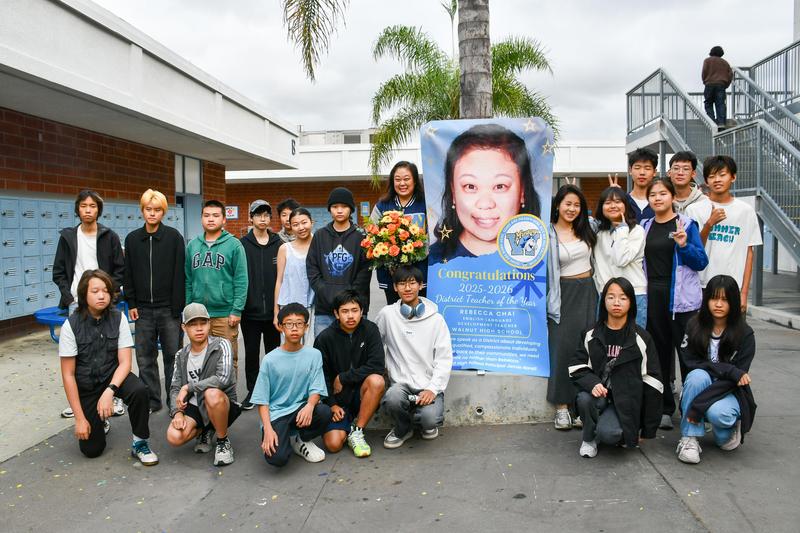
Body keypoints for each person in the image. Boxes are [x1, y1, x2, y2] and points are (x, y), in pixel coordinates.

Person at [58, 269, 158, 464]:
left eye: (106, 290)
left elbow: (125, 363)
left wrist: (109, 392)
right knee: (92, 450)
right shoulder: (70, 326)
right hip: (86, 385)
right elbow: (68, 375)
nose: (102, 295)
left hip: (112, 377)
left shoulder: (118, 318)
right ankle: (98, 420)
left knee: (139, 390)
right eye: (95, 291)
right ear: (84, 294)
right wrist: (79, 418)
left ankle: (140, 443)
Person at [569, 277, 662, 458]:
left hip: (625, 401)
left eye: (623, 298)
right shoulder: (590, 334)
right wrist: (592, 383)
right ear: (603, 301)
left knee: (611, 435)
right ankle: (588, 438)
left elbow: (653, 382)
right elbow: (576, 366)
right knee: (584, 399)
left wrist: (647, 428)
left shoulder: (641, 338)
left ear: (631, 303)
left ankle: (609, 428)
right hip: (598, 397)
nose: (616, 302)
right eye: (610, 297)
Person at [642, 178, 708, 430]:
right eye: (653, 195)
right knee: (659, 355)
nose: (657, 198)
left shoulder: (687, 224)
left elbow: (701, 261)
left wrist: (684, 244)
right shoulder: (645, 225)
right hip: (654, 296)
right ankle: (665, 408)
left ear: (672, 197)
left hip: (683, 301)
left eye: (662, 193)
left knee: (688, 356)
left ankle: (694, 408)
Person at [53, 189, 125, 419]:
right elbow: (59, 271)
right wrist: (68, 297)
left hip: (105, 300)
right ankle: (79, 402)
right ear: (77, 209)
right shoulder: (68, 237)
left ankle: (113, 397)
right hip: (77, 302)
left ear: (98, 210)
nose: (88, 210)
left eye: (92, 206)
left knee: (109, 351)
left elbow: (120, 270)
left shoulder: (109, 236)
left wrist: (109, 294)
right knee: (79, 355)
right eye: (84, 206)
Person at [429, 123, 541, 263]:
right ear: (453, 192)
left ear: (522, 191)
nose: (485, 204)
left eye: (500, 186)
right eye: (470, 186)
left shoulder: (537, 260)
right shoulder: (435, 261)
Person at [676, 275, 756, 464]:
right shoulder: (694, 325)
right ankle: (689, 439)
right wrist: (728, 369)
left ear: (733, 302)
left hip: (728, 390)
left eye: (725, 299)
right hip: (701, 383)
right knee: (696, 376)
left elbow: (737, 378)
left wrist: (698, 405)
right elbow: (689, 361)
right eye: (714, 298)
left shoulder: (745, 334)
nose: (718, 304)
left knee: (718, 415)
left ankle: (727, 431)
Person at [376, 265, 453, 449]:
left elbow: (444, 358)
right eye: (402, 284)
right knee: (393, 398)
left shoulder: (436, 320)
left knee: (429, 419)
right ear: (395, 288)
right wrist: (383, 370)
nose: (407, 288)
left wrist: (433, 389)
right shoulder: (387, 315)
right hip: (400, 385)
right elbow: (375, 344)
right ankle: (403, 429)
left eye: (412, 283)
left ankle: (424, 417)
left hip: (427, 385)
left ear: (420, 285)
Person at [124, 189, 185, 412]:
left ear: (163, 212)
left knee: (173, 357)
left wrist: (178, 308)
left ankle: (174, 401)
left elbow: (180, 275)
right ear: (142, 211)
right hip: (142, 310)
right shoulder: (132, 240)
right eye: (148, 209)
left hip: (169, 309)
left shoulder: (174, 238)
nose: (152, 214)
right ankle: (151, 400)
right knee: (144, 357)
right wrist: (131, 303)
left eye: (157, 210)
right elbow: (127, 274)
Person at [251, 303, 332, 467]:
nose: (294, 328)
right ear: (280, 327)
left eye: (299, 323)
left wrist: (309, 406)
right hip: (277, 414)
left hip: (300, 410)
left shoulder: (314, 355)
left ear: (306, 326)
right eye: (289, 324)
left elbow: (317, 388)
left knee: (324, 412)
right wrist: (267, 429)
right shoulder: (270, 360)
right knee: (277, 458)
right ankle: (286, 437)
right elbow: (262, 400)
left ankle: (301, 439)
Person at [546, 185, 597, 430]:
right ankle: (562, 407)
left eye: (577, 205)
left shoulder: (589, 227)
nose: (572, 209)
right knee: (563, 349)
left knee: (587, 347)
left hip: (590, 291)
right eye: (568, 204)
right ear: (557, 205)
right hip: (563, 294)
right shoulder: (547, 232)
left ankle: (581, 406)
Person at [166, 303, 240, 466]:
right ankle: (207, 429)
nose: (199, 328)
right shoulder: (181, 355)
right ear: (184, 327)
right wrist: (177, 412)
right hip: (195, 405)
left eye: (203, 323)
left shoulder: (222, 344)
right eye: (193, 324)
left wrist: (189, 387)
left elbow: (224, 378)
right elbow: (175, 388)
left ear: (209, 323)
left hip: (222, 402)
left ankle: (222, 441)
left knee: (211, 394)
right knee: (174, 436)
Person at [686, 155, 762, 312]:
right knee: (700, 335)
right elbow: (692, 249)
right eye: (712, 176)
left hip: (733, 288)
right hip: (701, 286)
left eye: (722, 174)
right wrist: (709, 224)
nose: (717, 180)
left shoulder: (746, 211)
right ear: (706, 181)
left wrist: (744, 293)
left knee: (733, 336)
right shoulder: (694, 210)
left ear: (733, 177)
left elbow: (749, 254)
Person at [316, 290, 385, 457]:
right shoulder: (325, 338)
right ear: (336, 314)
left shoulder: (370, 330)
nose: (350, 316)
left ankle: (357, 430)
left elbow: (377, 365)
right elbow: (320, 375)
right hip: (338, 399)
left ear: (362, 311)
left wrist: (343, 377)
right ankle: (347, 425)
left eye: (355, 310)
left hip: (361, 393)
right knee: (333, 445)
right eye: (345, 311)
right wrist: (331, 404)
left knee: (377, 381)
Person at [185, 199, 248, 369]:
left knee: (227, 361)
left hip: (225, 315)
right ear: (201, 219)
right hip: (199, 314)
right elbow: (188, 279)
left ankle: (228, 397)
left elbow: (241, 280)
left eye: (215, 215)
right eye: (206, 215)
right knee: (201, 361)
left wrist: (236, 309)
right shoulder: (192, 245)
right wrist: (188, 308)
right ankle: (204, 396)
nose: (210, 219)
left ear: (223, 219)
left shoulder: (234, 245)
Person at [306, 187, 371, 337]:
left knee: (354, 353)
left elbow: (365, 270)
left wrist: (349, 298)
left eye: (344, 206)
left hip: (354, 309)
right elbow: (312, 267)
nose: (339, 210)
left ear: (351, 209)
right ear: (330, 210)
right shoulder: (320, 235)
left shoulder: (361, 237)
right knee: (325, 354)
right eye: (335, 207)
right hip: (325, 309)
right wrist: (327, 293)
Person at [239, 200, 283, 410]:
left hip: (274, 312)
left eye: (266, 215)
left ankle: (273, 391)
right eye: (258, 215)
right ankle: (253, 391)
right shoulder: (242, 244)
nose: (263, 219)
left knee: (274, 353)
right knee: (252, 353)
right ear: (251, 218)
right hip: (250, 312)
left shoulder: (279, 243)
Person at [371, 161, 429, 304]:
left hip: (419, 272)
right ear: (392, 182)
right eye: (397, 179)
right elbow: (371, 235)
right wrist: (389, 259)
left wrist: (416, 254)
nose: (402, 183)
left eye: (406, 179)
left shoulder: (426, 204)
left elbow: (434, 236)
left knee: (420, 313)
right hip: (390, 274)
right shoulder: (383, 205)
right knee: (395, 313)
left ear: (415, 181)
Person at [592, 186, 648, 328]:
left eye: (618, 202)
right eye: (608, 202)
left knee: (633, 342)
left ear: (626, 205)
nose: (613, 206)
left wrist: (622, 229)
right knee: (607, 342)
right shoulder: (599, 232)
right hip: (607, 295)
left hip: (633, 294)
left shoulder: (636, 231)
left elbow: (621, 260)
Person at [274, 207, 315, 339]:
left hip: (313, 307)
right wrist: (276, 313)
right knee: (290, 348)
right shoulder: (285, 249)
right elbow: (279, 281)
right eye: (295, 225)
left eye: (304, 222)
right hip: (289, 309)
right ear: (290, 227)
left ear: (311, 222)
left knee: (312, 348)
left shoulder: (319, 245)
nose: (301, 227)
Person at [702, 46, 733, 128]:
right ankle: (721, 123)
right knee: (720, 104)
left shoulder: (707, 61)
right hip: (721, 85)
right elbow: (730, 75)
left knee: (708, 103)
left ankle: (711, 122)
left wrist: (705, 81)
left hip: (709, 84)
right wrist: (726, 84)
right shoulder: (725, 63)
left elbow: (704, 72)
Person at [626, 148, 657, 222]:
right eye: (637, 168)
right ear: (630, 170)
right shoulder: (623, 201)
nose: (642, 172)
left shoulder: (660, 202)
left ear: (654, 172)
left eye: (647, 168)